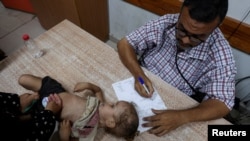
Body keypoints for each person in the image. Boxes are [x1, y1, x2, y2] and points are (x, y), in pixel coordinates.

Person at [117, 0, 237, 136]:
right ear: (181, 12)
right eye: (182, 30)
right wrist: (139, 75)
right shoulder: (167, 22)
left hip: (174, 105)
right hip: (138, 81)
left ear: (217, 26)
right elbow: (125, 43)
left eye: (197, 37)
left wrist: (182, 117)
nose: (185, 40)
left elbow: (223, 103)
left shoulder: (221, 54)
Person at [17, 74, 139, 141]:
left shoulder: (89, 130)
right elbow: (98, 91)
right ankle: (34, 96)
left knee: (24, 120)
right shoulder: (101, 104)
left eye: (113, 106)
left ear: (110, 122)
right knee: (23, 79)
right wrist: (88, 85)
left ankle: (31, 103)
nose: (110, 102)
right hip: (55, 91)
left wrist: (65, 136)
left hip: (47, 112)